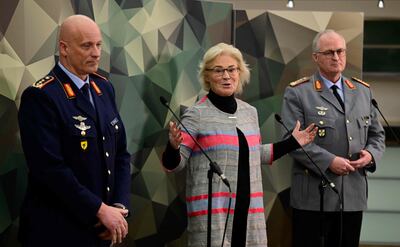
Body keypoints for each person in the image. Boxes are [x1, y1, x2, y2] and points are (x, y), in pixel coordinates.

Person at [162, 42, 317, 247]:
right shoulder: (196, 115)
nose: (226, 76)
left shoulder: (249, 112)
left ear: (240, 72)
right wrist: (173, 147)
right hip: (215, 218)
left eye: (231, 69)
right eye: (219, 70)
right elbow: (176, 163)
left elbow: (253, 154)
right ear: (207, 76)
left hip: (249, 214)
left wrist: (292, 143)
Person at [18, 15, 131, 247]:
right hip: (57, 231)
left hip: (101, 230)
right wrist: (99, 210)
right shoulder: (42, 96)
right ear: (64, 48)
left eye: (99, 44)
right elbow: (49, 169)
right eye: (86, 45)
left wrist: (117, 209)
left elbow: (120, 154)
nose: (96, 53)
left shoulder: (104, 87)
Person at [281, 29, 386, 247]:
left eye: (340, 51)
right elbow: (291, 141)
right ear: (315, 57)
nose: (336, 57)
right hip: (313, 197)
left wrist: (370, 155)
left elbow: (377, 135)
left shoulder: (362, 91)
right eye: (329, 52)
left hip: (352, 195)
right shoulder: (299, 92)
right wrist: (329, 161)